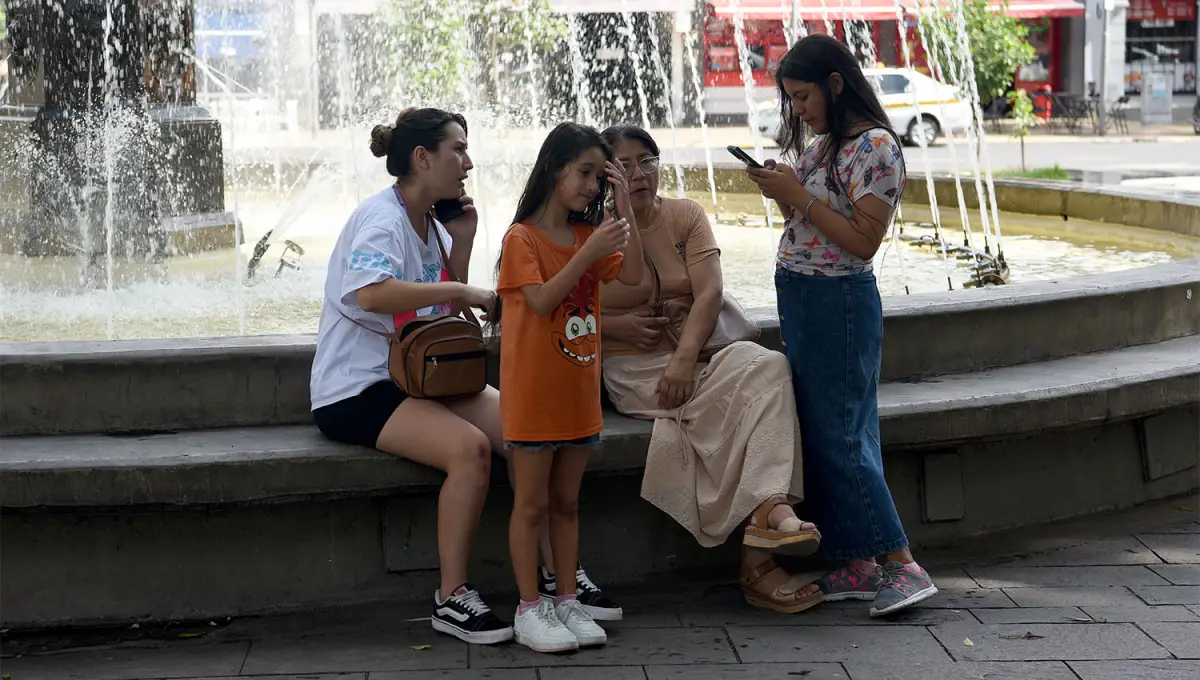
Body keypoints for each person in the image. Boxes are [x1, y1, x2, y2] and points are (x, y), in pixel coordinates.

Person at [747, 34, 938, 617]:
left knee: (843, 436)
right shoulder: (829, 143)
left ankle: (902, 564)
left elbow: (861, 242)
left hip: (839, 300)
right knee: (830, 432)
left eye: (803, 97)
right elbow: (810, 221)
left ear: (835, 83)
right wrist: (785, 191)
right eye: (791, 99)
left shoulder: (876, 147)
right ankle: (857, 559)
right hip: (805, 294)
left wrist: (798, 197)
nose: (798, 110)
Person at [598, 124, 823, 615]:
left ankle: (765, 517)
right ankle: (764, 544)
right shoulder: (591, 229)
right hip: (636, 370)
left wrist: (682, 360)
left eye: (647, 160)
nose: (638, 174)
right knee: (743, 408)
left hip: (700, 357)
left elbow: (710, 293)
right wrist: (615, 327)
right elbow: (549, 309)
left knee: (770, 367)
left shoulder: (684, 215)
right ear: (605, 174)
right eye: (625, 164)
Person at [493, 122, 644, 653]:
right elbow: (540, 302)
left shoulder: (589, 233)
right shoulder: (521, 239)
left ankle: (564, 600)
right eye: (583, 173)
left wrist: (623, 209)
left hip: (579, 397)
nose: (589, 187)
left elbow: (636, 280)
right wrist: (587, 252)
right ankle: (529, 607)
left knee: (567, 504)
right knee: (531, 504)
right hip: (534, 398)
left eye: (597, 179)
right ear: (554, 168)